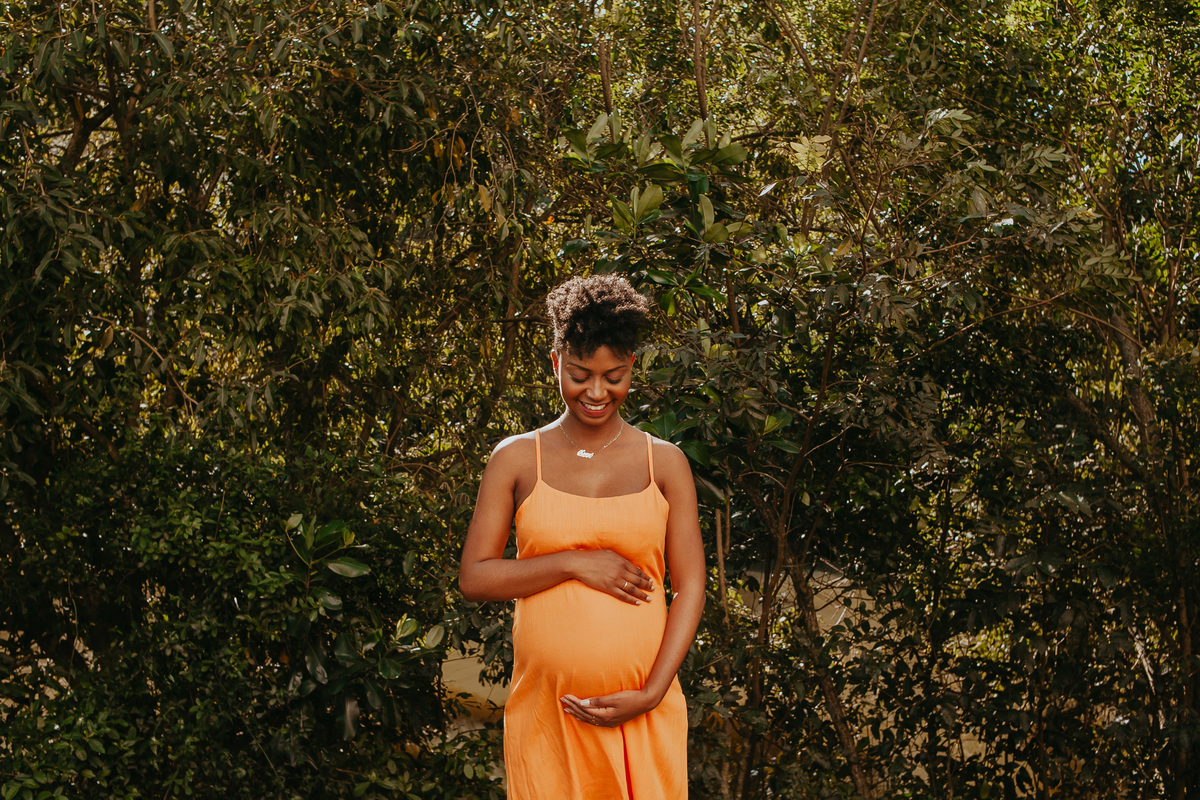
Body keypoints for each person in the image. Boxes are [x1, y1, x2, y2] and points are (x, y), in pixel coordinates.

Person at [459, 274, 706, 800]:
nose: (596, 392)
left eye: (613, 376)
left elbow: (690, 586)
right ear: (555, 364)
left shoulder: (664, 463)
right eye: (579, 375)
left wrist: (652, 693)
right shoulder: (516, 458)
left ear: (631, 367)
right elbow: (475, 578)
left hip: (643, 711)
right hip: (548, 718)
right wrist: (574, 562)